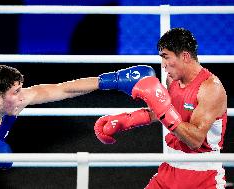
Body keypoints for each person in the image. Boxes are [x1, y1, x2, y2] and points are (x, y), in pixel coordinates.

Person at [0, 64, 155, 188]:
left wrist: (111, 80)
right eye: (16, 92)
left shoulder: (13, 103)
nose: (23, 97)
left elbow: (64, 89)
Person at [94, 28, 227, 189]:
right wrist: (126, 120)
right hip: (169, 170)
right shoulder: (172, 79)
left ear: (185, 56)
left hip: (203, 177)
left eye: (166, 57)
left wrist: (163, 110)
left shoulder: (210, 88)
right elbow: (165, 111)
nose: (163, 65)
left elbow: (195, 140)